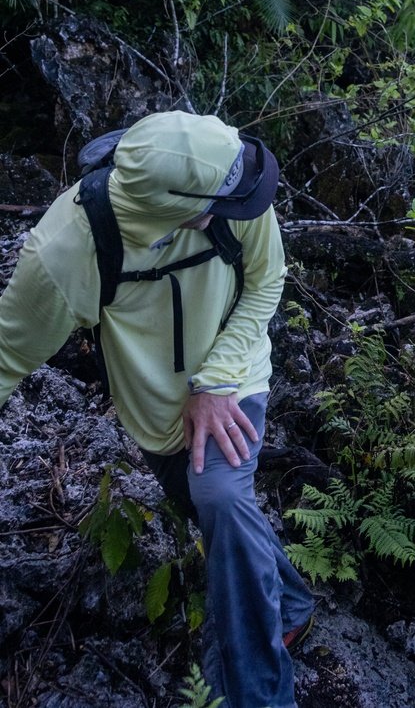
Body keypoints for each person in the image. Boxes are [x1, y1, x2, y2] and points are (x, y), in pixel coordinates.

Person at [0, 110, 313, 708]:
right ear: (176, 206)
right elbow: (8, 353)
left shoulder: (230, 178)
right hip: (153, 409)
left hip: (232, 376)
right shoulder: (68, 250)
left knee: (220, 494)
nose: (249, 203)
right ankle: (292, 603)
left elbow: (267, 280)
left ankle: (260, 693)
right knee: (211, 511)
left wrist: (216, 383)